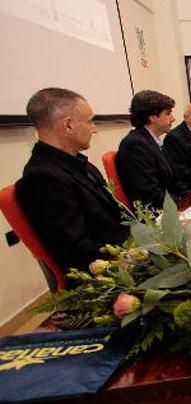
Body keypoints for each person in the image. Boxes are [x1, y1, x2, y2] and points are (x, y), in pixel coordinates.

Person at [15, 88, 129, 274]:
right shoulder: (42, 179)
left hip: (123, 250)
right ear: (68, 125)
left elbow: (114, 217)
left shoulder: (77, 163)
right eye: (90, 121)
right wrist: (135, 257)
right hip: (107, 271)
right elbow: (77, 253)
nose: (95, 128)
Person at [115, 90, 181, 210]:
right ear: (152, 116)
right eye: (168, 113)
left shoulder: (151, 141)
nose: (173, 119)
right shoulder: (135, 145)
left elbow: (172, 181)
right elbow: (149, 195)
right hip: (156, 217)